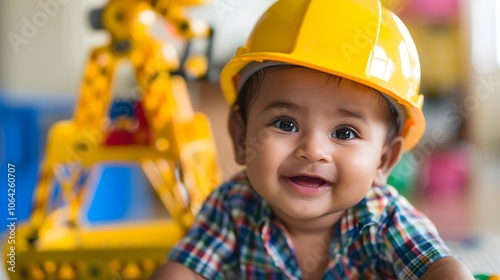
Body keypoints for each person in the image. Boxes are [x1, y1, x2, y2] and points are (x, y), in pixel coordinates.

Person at [150, 0, 474, 279]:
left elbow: (440, 266)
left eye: (345, 133)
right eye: (285, 123)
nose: (313, 150)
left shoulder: (383, 217)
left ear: (384, 160)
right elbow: (186, 268)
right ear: (239, 136)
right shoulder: (232, 206)